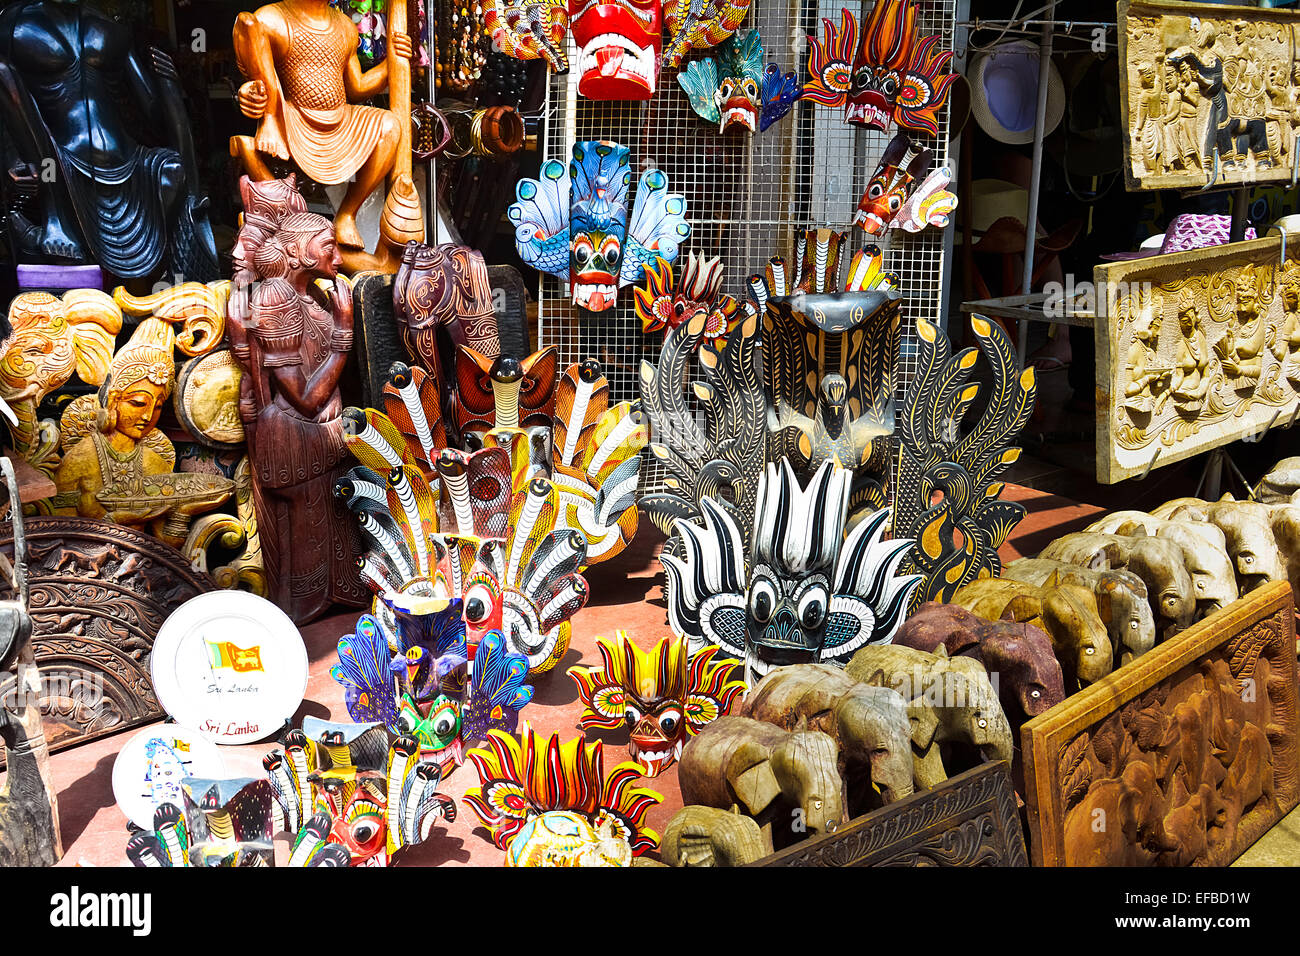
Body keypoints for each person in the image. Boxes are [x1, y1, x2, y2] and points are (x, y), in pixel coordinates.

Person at [230, 0, 412, 251]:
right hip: (293, 119)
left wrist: (392, 61)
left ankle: (347, 215)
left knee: (390, 126)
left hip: (340, 120)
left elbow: (357, 87)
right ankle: (289, 229)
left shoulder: (345, 26)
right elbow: (258, 74)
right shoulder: (272, 19)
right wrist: (254, 97)